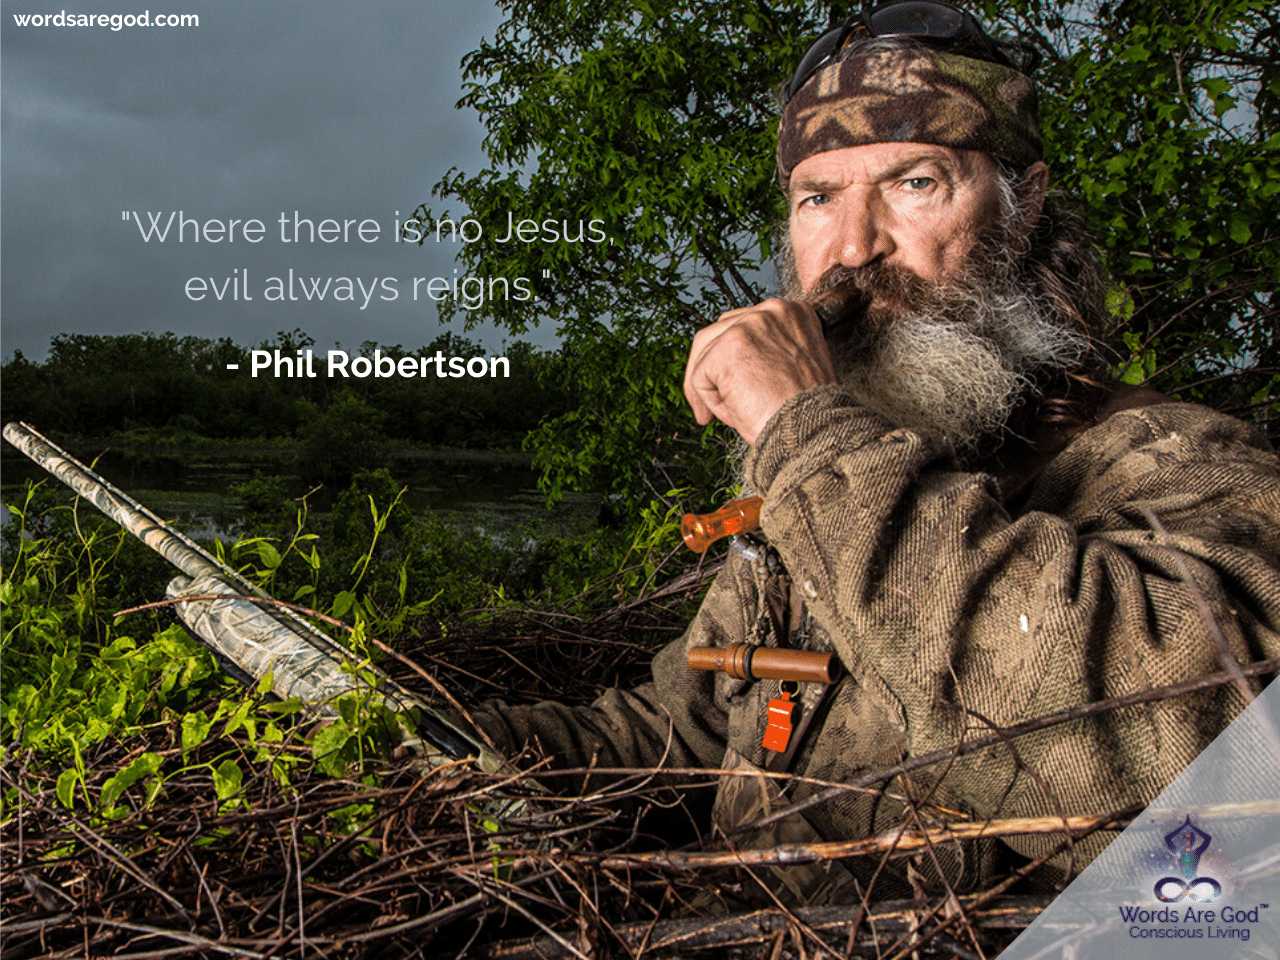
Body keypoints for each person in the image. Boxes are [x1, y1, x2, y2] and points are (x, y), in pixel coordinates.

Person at [472, 1, 1280, 904]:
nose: (853, 248)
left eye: (915, 183)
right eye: (818, 198)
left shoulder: (1179, 462)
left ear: (1022, 206)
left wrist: (802, 429)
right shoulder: (831, 476)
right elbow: (681, 732)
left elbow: (1176, 761)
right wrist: (453, 744)